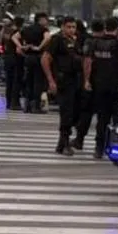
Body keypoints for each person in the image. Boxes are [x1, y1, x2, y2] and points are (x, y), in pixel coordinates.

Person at [86, 15, 118, 159]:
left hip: (99, 86)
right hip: (116, 87)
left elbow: (88, 62)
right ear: (117, 29)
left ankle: (99, 148)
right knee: (116, 119)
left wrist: (87, 81)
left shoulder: (95, 43)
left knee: (102, 119)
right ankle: (115, 147)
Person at [42, 16, 82, 156]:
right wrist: (51, 81)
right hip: (63, 81)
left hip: (74, 80)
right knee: (66, 114)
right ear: (63, 27)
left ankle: (61, 144)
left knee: (74, 113)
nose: (72, 29)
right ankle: (64, 144)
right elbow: (45, 59)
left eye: (74, 27)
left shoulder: (75, 41)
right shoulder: (57, 40)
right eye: (69, 27)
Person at [73, 17, 104, 150]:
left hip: (90, 81)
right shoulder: (110, 43)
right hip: (106, 83)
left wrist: (86, 80)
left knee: (86, 111)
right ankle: (100, 145)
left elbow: (87, 62)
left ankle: (79, 139)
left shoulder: (89, 42)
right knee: (104, 115)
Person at [14, 12, 50, 114]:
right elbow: (48, 38)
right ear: (41, 19)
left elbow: (14, 37)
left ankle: (27, 105)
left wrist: (20, 46)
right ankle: (36, 105)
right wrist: (39, 47)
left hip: (28, 57)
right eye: (45, 19)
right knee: (38, 82)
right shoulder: (43, 30)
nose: (46, 21)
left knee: (29, 81)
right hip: (38, 57)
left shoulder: (27, 29)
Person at [2, 17, 23, 110]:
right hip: (16, 58)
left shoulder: (7, 31)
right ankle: (15, 103)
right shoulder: (17, 32)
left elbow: (1, 42)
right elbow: (19, 49)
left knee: (9, 81)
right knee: (16, 81)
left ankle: (8, 102)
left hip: (7, 57)